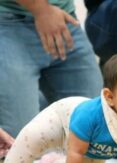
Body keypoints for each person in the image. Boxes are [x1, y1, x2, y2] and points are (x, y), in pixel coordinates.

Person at [0, 0, 103, 138]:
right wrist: (42, 10)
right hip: (8, 20)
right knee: (18, 141)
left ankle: (34, 100)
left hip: (62, 17)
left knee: (91, 129)